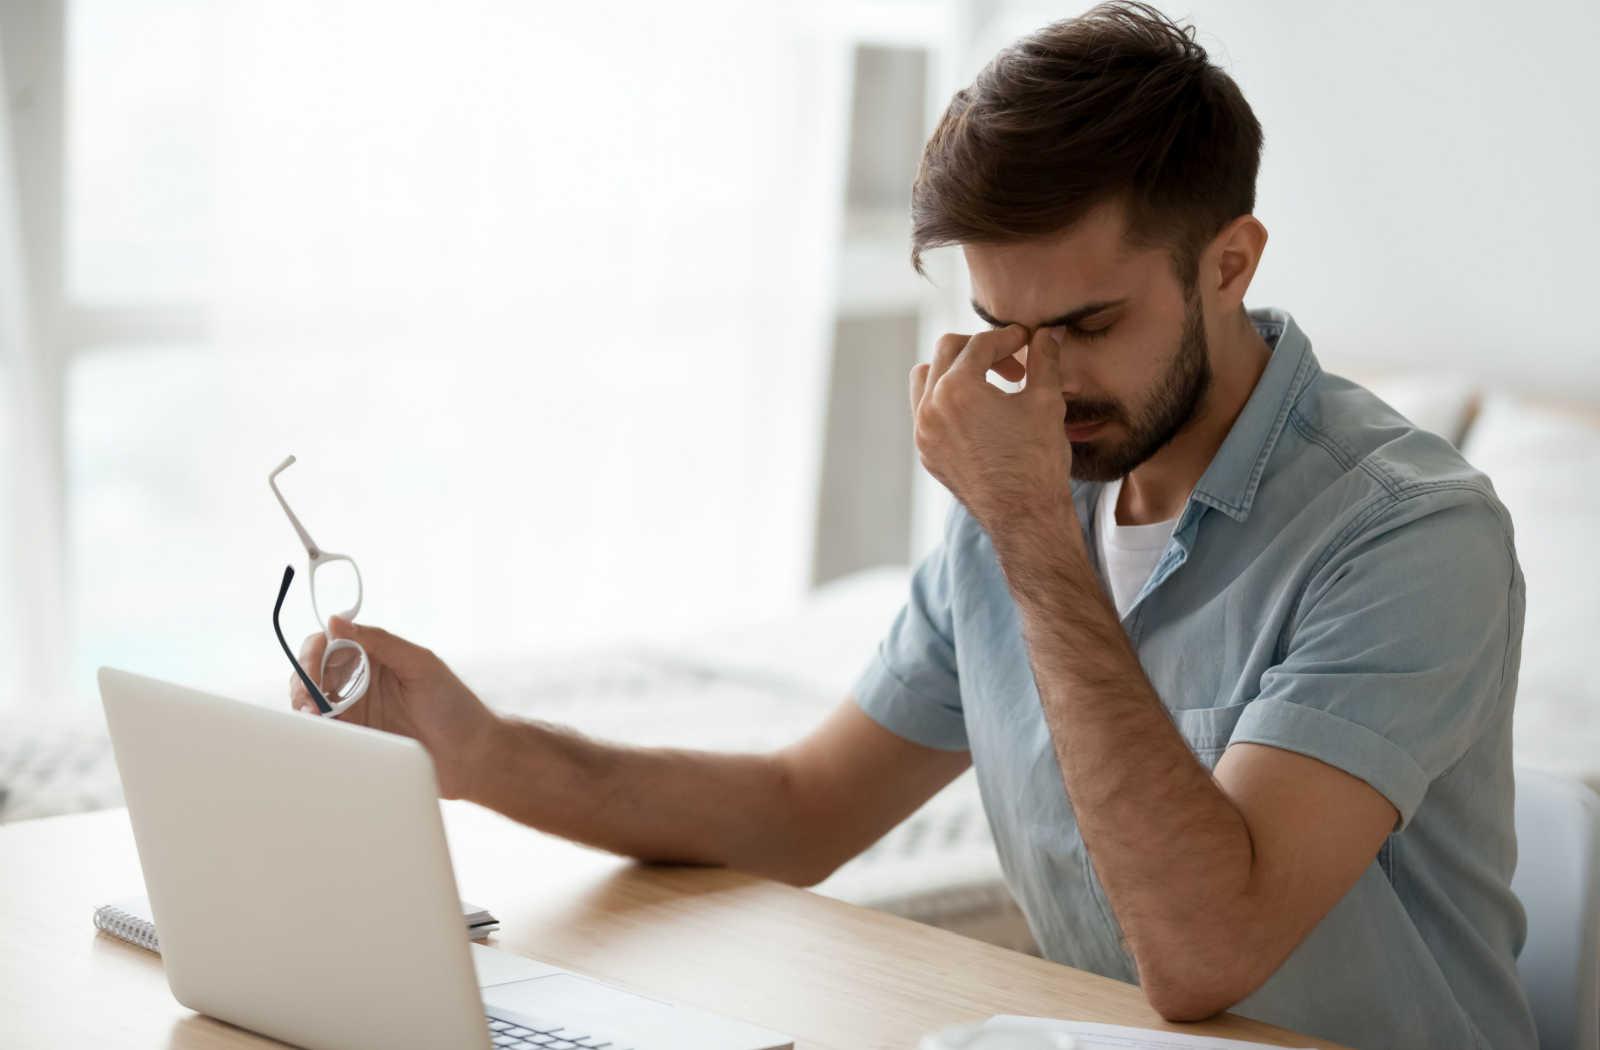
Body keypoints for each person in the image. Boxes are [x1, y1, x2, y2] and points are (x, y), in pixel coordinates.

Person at [290, 4, 1535, 1047]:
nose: (1038, 384)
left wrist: (1028, 531)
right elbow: (797, 810)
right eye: (1004, 328)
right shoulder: (1044, 468)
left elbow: (1205, 956)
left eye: (1089, 327)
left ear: (1229, 262)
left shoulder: (1409, 538)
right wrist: (476, 750)